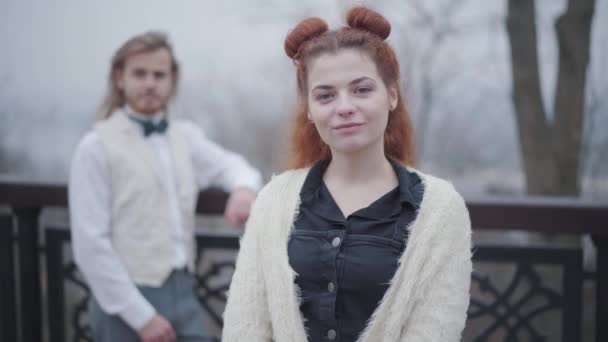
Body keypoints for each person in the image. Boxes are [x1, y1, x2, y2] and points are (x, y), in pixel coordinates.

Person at [222, 7, 472, 342]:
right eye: (325, 95)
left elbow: (436, 329)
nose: (344, 107)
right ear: (309, 109)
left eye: (361, 89)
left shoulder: (440, 210)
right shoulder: (273, 201)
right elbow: (245, 326)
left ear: (392, 95)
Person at [69, 31, 262, 342]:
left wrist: (243, 190)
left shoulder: (184, 136)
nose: (150, 83)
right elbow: (90, 245)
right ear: (120, 78)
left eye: (159, 75)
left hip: (184, 291)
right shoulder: (95, 147)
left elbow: (235, 166)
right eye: (139, 73)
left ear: (172, 81)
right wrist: (141, 317)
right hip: (123, 302)